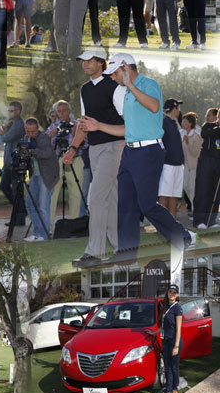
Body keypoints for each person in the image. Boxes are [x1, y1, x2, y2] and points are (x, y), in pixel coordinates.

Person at [81, 52, 193, 260]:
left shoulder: (148, 84)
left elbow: (154, 106)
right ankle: (127, 253)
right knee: (126, 205)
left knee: (147, 204)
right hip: (130, 152)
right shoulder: (127, 94)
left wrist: (130, 85)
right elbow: (127, 129)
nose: (112, 78)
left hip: (149, 152)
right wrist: (98, 126)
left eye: (114, 73)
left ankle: (182, 237)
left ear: (125, 68)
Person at [63, 47, 126, 264]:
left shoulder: (116, 87)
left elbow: (128, 121)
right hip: (95, 149)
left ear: (101, 62)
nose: (84, 64)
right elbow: (84, 123)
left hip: (116, 147)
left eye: (89, 60)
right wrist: (73, 148)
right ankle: (123, 249)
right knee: (109, 199)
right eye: (83, 61)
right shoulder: (85, 89)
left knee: (95, 198)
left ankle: (95, 252)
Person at [46, 101, 84, 233]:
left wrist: (75, 135)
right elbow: (46, 148)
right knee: (53, 193)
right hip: (57, 160)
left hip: (75, 159)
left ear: (69, 111)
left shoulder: (78, 125)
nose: (62, 113)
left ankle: (74, 225)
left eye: (64, 110)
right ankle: (49, 226)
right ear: (56, 113)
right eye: (59, 111)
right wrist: (51, 136)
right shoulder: (52, 127)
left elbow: (86, 145)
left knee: (75, 193)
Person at [23, 117, 59, 240]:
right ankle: (38, 232)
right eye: (28, 131)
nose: (30, 134)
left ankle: (43, 234)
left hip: (47, 175)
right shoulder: (26, 138)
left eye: (32, 131)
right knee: (30, 203)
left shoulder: (43, 138)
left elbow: (47, 153)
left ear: (37, 129)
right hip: (35, 175)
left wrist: (31, 151)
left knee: (43, 206)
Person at [193, 107, 220, 228]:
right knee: (203, 190)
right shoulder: (208, 126)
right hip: (206, 161)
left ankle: (211, 220)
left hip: (218, 162)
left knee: (216, 192)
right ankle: (199, 221)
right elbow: (207, 134)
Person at [158, 99, 185, 219]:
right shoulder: (164, 122)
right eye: (178, 108)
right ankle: (163, 223)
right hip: (167, 165)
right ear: (175, 109)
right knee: (164, 194)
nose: (179, 110)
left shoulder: (174, 123)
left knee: (174, 194)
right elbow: (160, 143)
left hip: (178, 164)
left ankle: (173, 222)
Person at [0, 101, 26, 220]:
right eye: (8, 110)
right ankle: (20, 211)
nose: (9, 113)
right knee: (6, 187)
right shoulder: (14, 123)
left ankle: (20, 214)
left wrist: (4, 129)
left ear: (18, 111)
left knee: (15, 190)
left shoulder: (19, 124)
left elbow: (6, 137)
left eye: (11, 111)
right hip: (9, 162)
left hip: (14, 162)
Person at [159, 284, 183, 393]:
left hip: (174, 341)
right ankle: (170, 390)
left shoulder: (177, 307)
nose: (172, 294)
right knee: (168, 366)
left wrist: (176, 346)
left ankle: (173, 388)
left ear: (177, 295)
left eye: (174, 292)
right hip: (165, 340)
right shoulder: (166, 306)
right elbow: (164, 325)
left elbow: (178, 328)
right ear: (167, 294)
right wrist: (154, 333)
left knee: (174, 366)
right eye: (170, 292)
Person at [181, 112, 202, 212]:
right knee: (185, 185)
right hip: (185, 165)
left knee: (192, 187)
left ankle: (195, 210)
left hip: (194, 165)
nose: (182, 123)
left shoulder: (196, 136)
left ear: (190, 123)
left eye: (185, 121)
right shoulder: (182, 133)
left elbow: (195, 153)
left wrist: (188, 142)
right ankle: (196, 205)